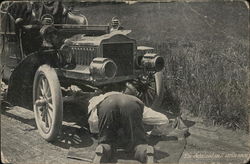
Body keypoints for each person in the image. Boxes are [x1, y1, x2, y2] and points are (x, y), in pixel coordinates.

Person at [86, 82, 169, 163]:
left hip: (106, 105)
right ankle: (145, 151)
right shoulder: (132, 100)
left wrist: (103, 134)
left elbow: (93, 123)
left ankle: (103, 149)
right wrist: (152, 134)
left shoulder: (98, 99)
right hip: (131, 106)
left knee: (106, 143)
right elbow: (163, 120)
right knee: (138, 144)